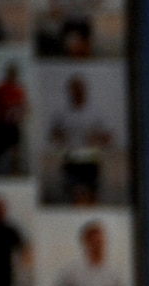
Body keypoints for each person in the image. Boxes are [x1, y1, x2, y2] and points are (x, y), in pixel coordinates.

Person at [48, 73, 111, 203]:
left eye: (81, 87)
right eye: (74, 88)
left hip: (91, 157)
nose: (78, 91)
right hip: (70, 157)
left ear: (85, 89)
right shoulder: (61, 113)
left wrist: (97, 137)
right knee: (73, 196)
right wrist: (59, 136)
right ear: (69, 91)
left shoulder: (96, 111)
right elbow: (52, 136)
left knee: (92, 196)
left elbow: (109, 137)